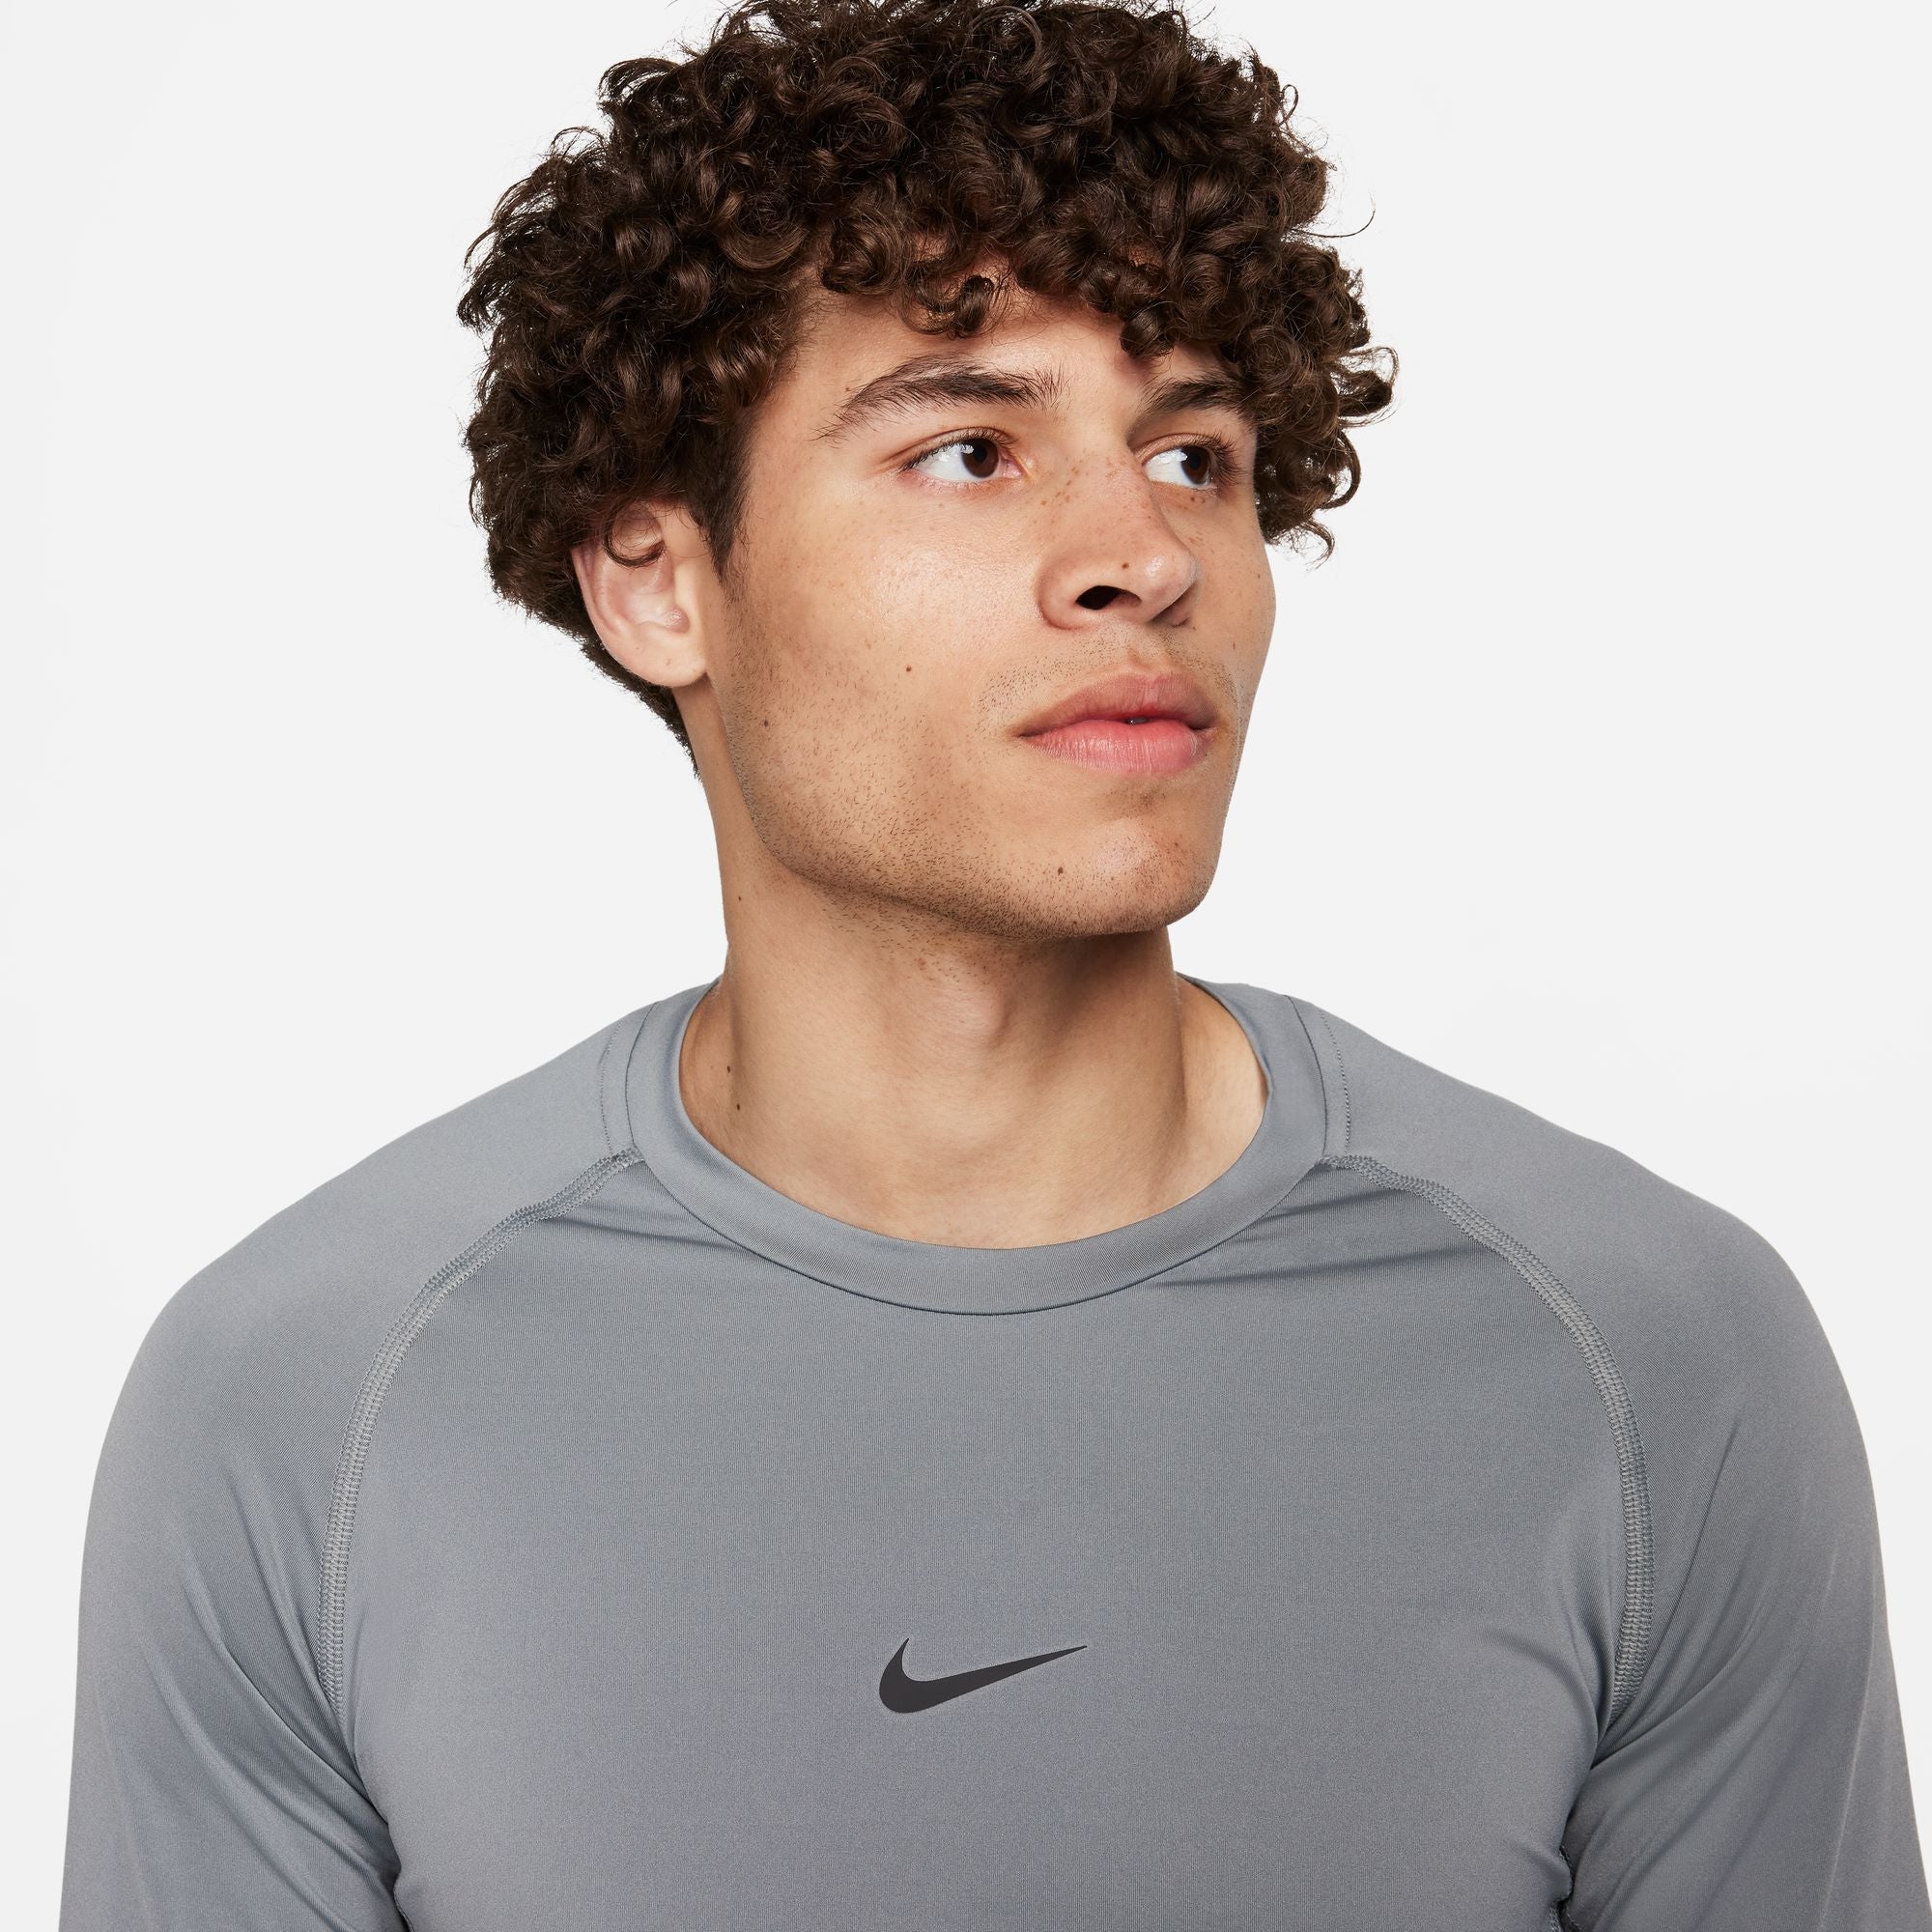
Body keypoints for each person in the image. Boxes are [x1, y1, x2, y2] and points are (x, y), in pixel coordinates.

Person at [56, 0, 1929, 1925]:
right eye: (970, 451)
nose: (1142, 556)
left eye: (1193, 454)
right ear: (658, 580)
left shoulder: (1646, 1358)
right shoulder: (308, 1407)